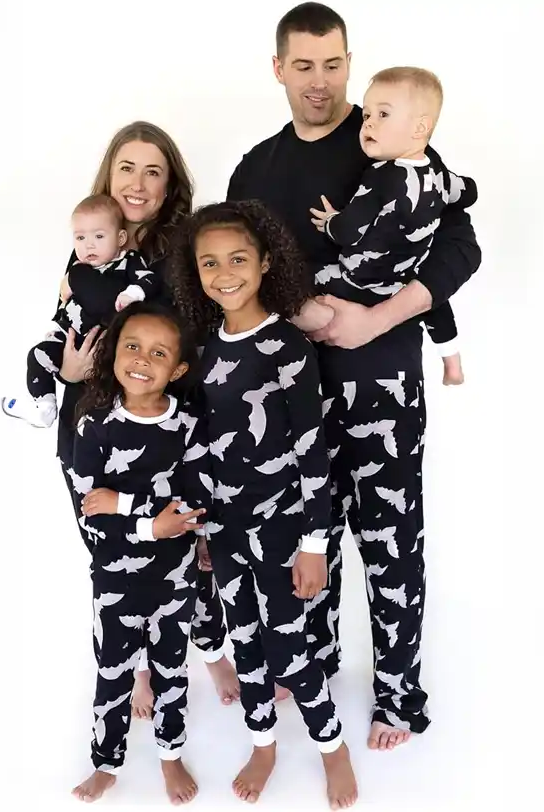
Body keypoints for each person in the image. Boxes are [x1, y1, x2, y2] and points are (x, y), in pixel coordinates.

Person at [226, 2, 482, 751]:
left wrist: (379, 317)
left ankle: (399, 698)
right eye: (303, 66)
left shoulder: (390, 137)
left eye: (333, 64)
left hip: (382, 384)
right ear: (277, 68)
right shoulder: (255, 168)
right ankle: (313, 668)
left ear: (350, 61)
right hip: (289, 396)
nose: (319, 82)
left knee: (391, 541)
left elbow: (460, 246)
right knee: (307, 541)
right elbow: (238, 273)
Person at [167, 199, 358, 810]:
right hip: (223, 530)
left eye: (239, 259)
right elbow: (200, 450)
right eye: (210, 263)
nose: (225, 273)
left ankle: (333, 748)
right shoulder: (203, 350)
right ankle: (264, 743)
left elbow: (312, 453)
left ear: (266, 261)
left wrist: (314, 544)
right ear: (195, 272)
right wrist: (199, 531)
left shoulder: (285, 346)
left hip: (282, 531)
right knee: (246, 642)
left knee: (290, 649)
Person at [52, 122, 240, 716]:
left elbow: (201, 343)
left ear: (170, 185)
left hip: (164, 429)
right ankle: (134, 666)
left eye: (153, 171)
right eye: (126, 168)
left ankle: (209, 650)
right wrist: (68, 373)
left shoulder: (182, 247)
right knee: (109, 552)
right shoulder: (86, 246)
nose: (137, 184)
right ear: (109, 175)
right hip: (91, 428)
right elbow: (63, 337)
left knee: (184, 543)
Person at [69, 301, 210, 804]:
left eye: (157, 353)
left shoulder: (188, 426)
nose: (141, 360)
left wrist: (128, 505)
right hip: (115, 578)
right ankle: (106, 763)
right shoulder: (95, 425)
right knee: (113, 676)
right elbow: (92, 509)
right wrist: (154, 523)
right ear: (112, 355)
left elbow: (194, 504)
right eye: (132, 346)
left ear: (177, 369)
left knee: (172, 672)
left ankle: (170, 756)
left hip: (175, 580)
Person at [306, 66, 477, 386]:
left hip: (365, 276)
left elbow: (349, 230)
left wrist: (330, 223)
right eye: (367, 115)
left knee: (315, 285)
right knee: (437, 305)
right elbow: (466, 192)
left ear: (419, 128)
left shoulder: (383, 176)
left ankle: (314, 330)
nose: (368, 122)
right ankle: (452, 365)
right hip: (409, 273)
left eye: (383, 115)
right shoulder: (438, 173)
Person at [1, 193, 152, 428]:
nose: (88, 245)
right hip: (70, 346)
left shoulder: (127, 261)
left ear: (121, 237)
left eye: (99, 236)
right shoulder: (77, 267)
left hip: (106, 348)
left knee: (102, 398)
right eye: (80, 237)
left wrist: (131, 294)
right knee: (38, 355)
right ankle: (44, 407)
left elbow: (148, 280)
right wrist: (55, 328)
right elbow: (65, 307)